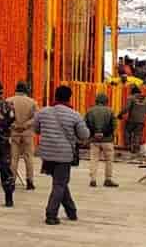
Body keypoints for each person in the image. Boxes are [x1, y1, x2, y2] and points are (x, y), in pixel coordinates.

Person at [34, 85, 90, 226]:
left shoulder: (43, 112)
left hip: (46, 153)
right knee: (60, 183)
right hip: (64, 155)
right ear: (69, 97)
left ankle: (71, 211)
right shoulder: (74, 115)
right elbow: (84, 135)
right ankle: (51, 214)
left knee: (60, 182)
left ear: (55, 96)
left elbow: (36, 129)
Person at [6, 80, 37, 190]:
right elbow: (35, 118)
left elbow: (6, 117)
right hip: (27, 133)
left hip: (14, 133)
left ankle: (12, 181)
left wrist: (14, 125)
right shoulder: (32, 102)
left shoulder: (9, 101)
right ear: (26, 90)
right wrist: (25, 125)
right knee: (28, 158)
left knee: (14, 158)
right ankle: (30, 181)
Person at [85, 93, 118, 188]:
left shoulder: (90, 111)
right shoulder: (110, 111)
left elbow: (85, 124)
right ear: (106, 101)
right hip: (107, 140)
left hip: (94, 140)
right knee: (109, 160)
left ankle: (93, 179)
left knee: (94, 160)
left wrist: (93, 133)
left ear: (96, 101)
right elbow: (114, 126)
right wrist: (104, 133)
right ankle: (108, 179)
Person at [118, 85, 146, 158]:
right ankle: (136, 150)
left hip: (132, 119)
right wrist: (142, 113)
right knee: (138, 134)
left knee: (127, 131)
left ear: (132, 92)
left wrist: (120, 114)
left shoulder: (131, 98)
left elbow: (126, 108)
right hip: (141, 121)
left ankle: (128, 147)